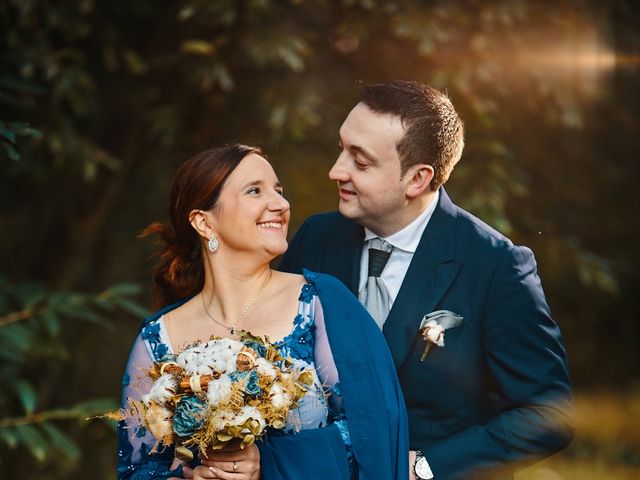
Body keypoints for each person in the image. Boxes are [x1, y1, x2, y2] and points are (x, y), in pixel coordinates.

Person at [279, 81, 575, 479]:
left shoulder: (495, 266)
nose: (337, 171)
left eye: (360, 162)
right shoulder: (316, 238)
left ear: (417, 179)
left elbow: (547, 415)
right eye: (341, 149)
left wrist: (424, 468)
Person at [117, 144, 409, 480]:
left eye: (279, 191)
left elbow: (374, 432)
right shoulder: (156, 338)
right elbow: (137, 469)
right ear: (204, 222)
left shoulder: (321, 303)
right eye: (255, 190)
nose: (281, 205)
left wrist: (269, 463)